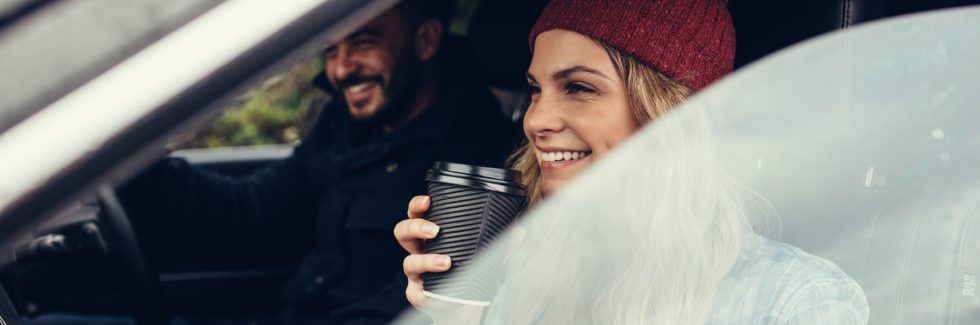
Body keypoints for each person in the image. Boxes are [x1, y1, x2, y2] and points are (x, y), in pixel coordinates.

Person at [23, 1, 520, 325]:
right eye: (332, 50)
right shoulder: (347, 128)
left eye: (364, 43)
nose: (343, 69)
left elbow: (407, 310)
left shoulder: (475, 170)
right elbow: (252, 209)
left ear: (426, 42)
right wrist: (128, 161)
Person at [394, 0, 869, 324]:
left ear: (673, 113)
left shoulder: (796, 300)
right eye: (535, 89)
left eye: (578, 87)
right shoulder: (516, 273)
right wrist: (460, 315)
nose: (536, 119)